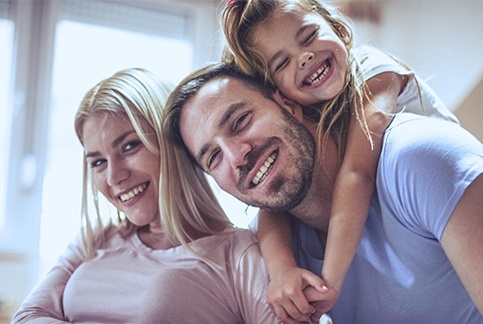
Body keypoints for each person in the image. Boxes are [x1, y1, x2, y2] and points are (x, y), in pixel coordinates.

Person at [163, 61, 483, 323]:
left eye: (241, 121)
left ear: (287, 103)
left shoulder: (418, 159)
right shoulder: (274, 259)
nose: (236, 157)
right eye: (214, 157)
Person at [220, 0, 460, 321]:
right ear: (281, 96)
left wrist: (329, 284)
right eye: (282, 63)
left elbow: (357, 173)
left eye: (308, 36)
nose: (304, 56)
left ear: (338, 27)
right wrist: (282, 271)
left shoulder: (373, 70)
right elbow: (274, 209)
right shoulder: (310, 115)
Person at [11, 68, 282, 323]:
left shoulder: (238, 253)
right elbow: (27, 316)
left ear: (172, 145)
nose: (114, 176)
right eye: (98, 162)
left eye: (129, 146)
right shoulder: (94, 240)